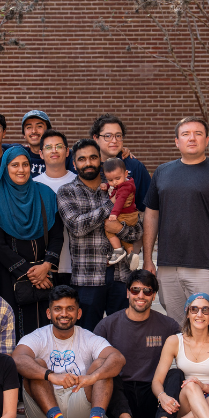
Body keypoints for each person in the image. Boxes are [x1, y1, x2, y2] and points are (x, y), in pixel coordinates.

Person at [143, 117, 209, 324]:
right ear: (176, 141)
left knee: (207, 325)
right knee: (177, 326)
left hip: (206, 266)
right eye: (186, 134)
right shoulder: (162, 172)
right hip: (168, 265)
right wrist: (147, 259)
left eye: (198, 134)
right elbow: (151, 215)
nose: (192, 138)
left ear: (207, 140)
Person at [12, 286, 126, 418]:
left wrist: (92, 377)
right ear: (49, 313)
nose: (64, 314)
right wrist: (51, 376)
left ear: (78, 313)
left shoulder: (88, 337)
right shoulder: (37, 336)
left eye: (70, 309)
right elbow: (17, 359)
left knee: (103, 365)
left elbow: (118, 359)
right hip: (46, 416)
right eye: (58, 309)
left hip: (80, 407)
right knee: (36, 364)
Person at [58, 140, 141, 331]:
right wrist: (111, 205)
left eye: (93, 157)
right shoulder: (67, 192)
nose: (88, 162)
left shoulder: (119, 186)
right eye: (82, 159)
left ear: (100, 160)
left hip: (121, 276)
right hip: (87, 277)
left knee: (123, 335)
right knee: (86, 335)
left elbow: (137, 229)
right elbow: (76, 226)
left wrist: (118, 229)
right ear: (74, 164)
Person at [96, 269, 184, 418]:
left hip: (155, 395)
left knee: (177, 373)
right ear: (128, 292)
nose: (140, 295)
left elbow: (194, 344)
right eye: (135, 290)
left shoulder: (168, 325)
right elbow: (90, 359)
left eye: (147, 291)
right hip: (120, 397)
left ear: (154, 295)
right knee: (106, 373)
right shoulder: (107, 325)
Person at [0, 146, 64, 335]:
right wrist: (29, 272)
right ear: (5, 168)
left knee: (46, 328)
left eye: (25, 164)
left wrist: (45, 267)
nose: (21, 169)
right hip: (10, 277)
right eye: (14, 165)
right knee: (14, 329)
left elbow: (57, 235)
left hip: (46, 275)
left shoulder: (46, 195)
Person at [34, 129, 78, 286]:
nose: (54, 150)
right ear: (40, 153)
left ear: (67, 152)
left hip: (77, 265)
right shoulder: (33, 186)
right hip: (45, 266)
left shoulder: (79, 182)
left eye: (59, 146)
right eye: (48, 147)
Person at [88, 113, 151, 211]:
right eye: (108, 136)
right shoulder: (86, 166)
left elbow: (148, 207)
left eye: (118, 135)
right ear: (96, 138)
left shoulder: (135, 166)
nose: (114, 140)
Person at [102, 158, 139, 265]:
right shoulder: (124, 183)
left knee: (109, 228)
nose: (114, 183)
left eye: (117, 178)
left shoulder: (125, 188)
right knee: (122, 233)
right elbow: (115, 185)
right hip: (131, 215)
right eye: (110, 180)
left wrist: (114, 213)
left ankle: (118, 250)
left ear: (126, 173)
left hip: (126, 215)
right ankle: (131, 254)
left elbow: (120, 201)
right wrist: (107, 186)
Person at [18, 109, 49, 177]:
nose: (34, 131)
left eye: (39, 126)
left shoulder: (63, 157)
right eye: (29, 127)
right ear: (24, 134)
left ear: (48, 131)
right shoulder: (19, 155)